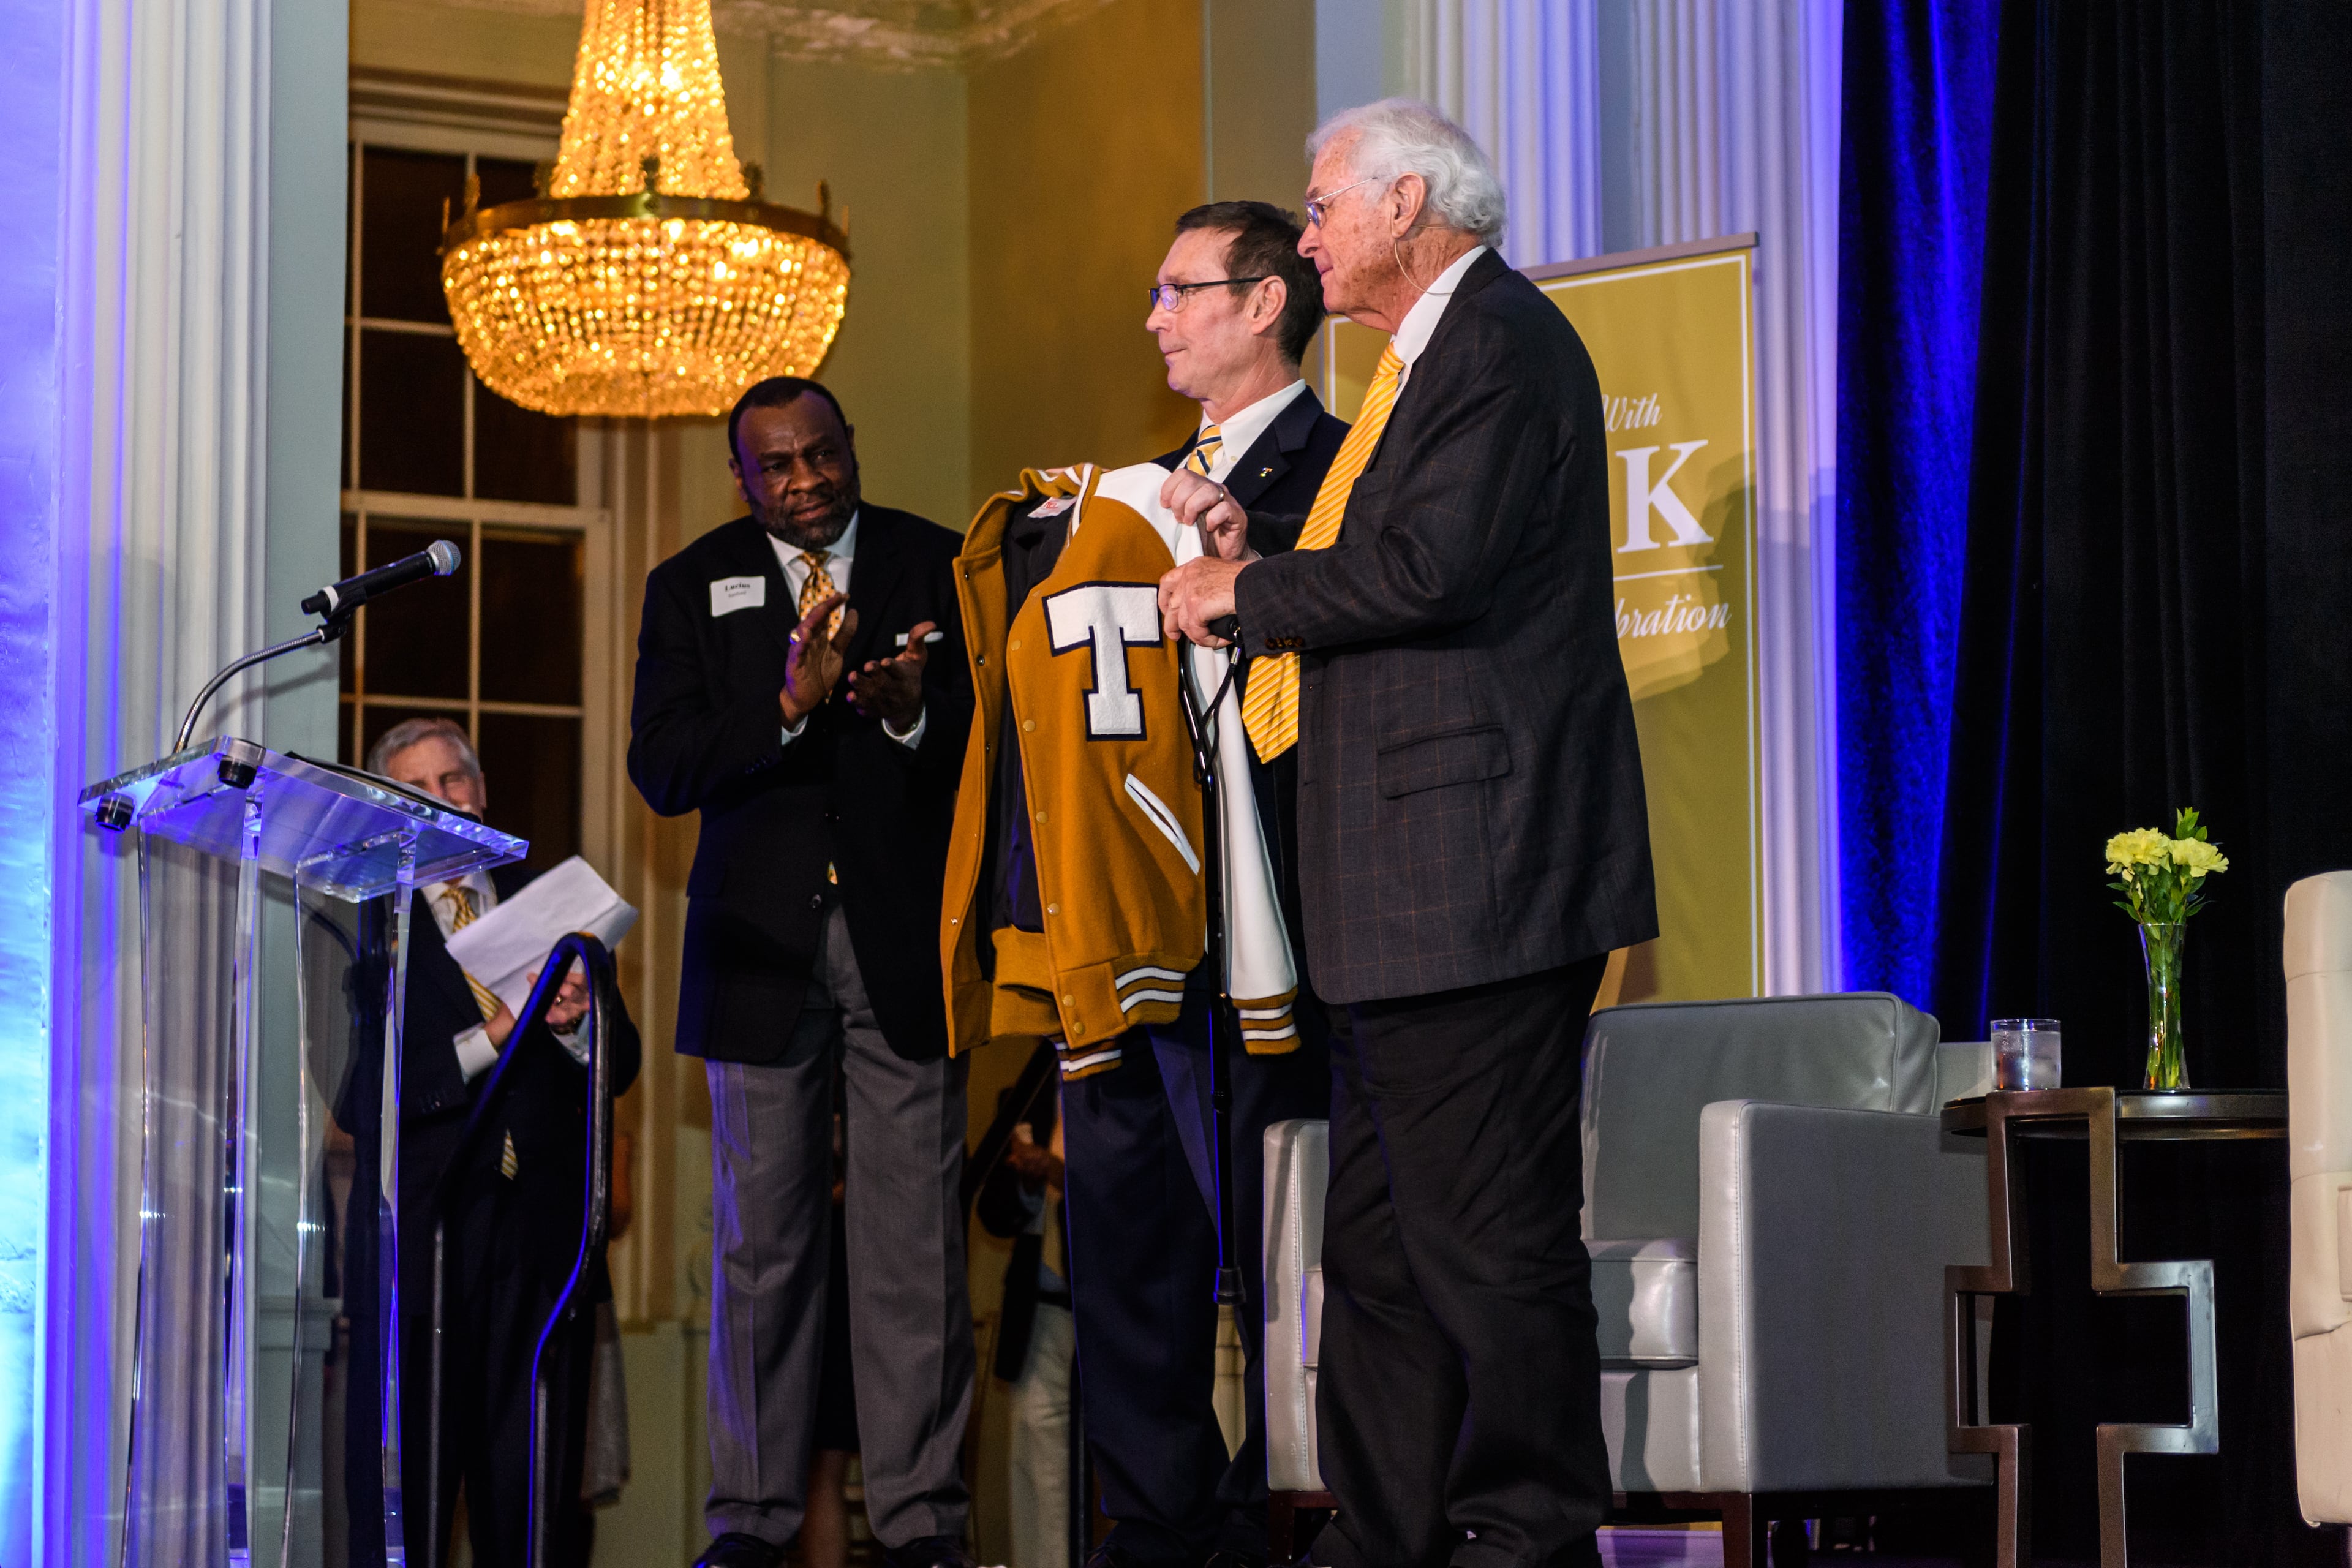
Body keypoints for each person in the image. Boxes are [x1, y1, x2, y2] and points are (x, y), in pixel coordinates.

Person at [1158, 100, 1657, 1568]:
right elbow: (1392, 559)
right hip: (1403, 894)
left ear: (1407, 205)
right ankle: (1382, 1535)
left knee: (1487, 1238)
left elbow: (1435, 568)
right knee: (1378, 1252)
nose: (1306, 237)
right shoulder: (1423, 362)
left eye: (1321, 208)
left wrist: (1246, 597)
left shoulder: (1500, 344)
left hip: (1479, 879)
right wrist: (1262, 550)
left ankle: (1530, 1531)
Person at [943, 201, 1343, 1568]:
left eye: (1179, 290)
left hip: (1281, 929)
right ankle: (1160, 1524)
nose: (1153, 316)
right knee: (1126, 1249)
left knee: (1290, 1248)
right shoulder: (1117, 499)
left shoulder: (1344, 474)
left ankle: (1292, 1510)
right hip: (1124, 933)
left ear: (1265, 303)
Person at [627, 376, 981, 1568]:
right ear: (742, 479)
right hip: (758, 946)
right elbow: (663, 766)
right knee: (761, 1249)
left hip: (904, 938)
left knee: (913, 1246)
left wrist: (910, 716)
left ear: (851, 445)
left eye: (821, 453)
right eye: (775, 466)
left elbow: (1000, 747)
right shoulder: (691, 583)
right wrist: (786, 706)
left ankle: (923, 1522)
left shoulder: (940, 563)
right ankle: (751, 1520)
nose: (806, 481)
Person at [342, 715, 643, 1568]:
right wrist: (494, 1036)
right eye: (416, 789)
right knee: (415, 1505)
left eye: (454, 781)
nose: (441, 799)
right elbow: (365, 1099)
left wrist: (576, 1023)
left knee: (531, 1501)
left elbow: (622, 1065)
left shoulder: (553, 903)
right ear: (392, 813)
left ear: (481, 793)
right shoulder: (371, 927)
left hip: (542, 1244)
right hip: (428, 1244)